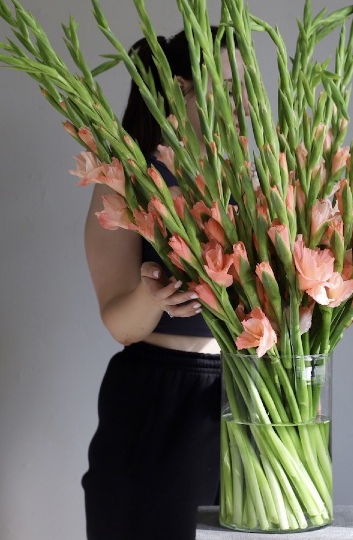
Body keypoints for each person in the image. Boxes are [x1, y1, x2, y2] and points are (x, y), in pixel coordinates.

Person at [81, 28, 249, 540]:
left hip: (251, 396)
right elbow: (119, 322)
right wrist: (150, 296)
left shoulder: (258, 181)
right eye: (226, 86)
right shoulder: (128, 179)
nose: (242, 104)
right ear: (179, 89)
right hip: (161, 397)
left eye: (247, 89)